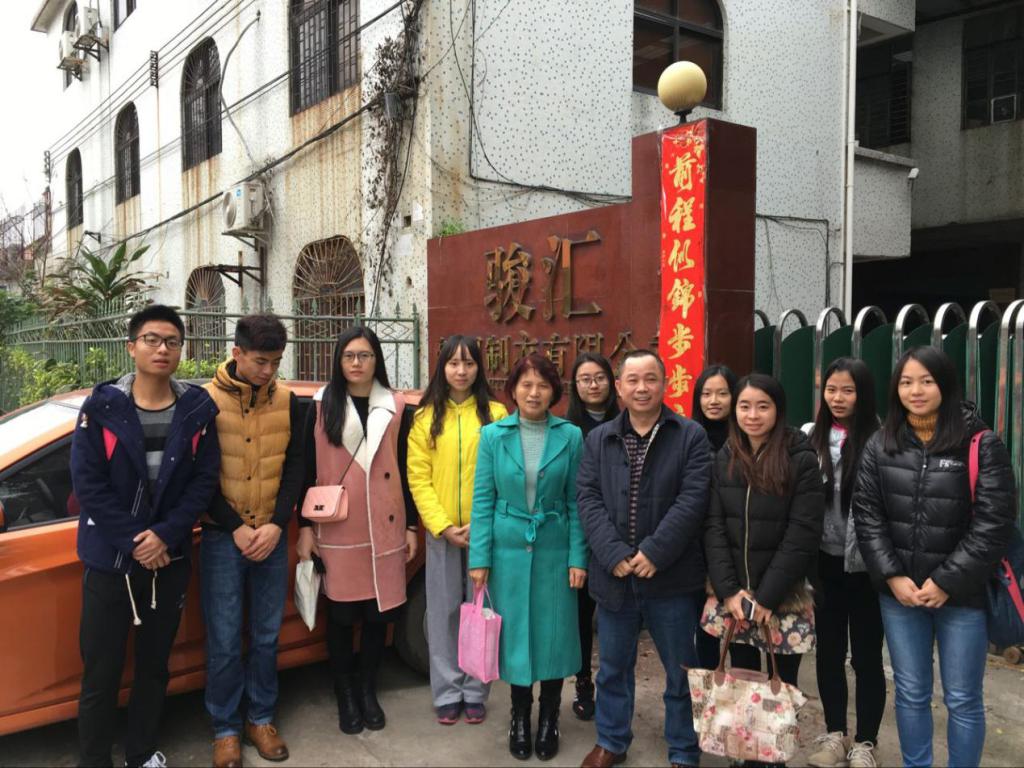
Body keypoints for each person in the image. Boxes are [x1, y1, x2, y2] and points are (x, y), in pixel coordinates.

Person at [71, 304, 220, 768]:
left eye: (172, 341)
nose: (162, 349)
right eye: (152, 340)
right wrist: (138, 540)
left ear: (181, 351)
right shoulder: (102, 408)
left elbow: (203, 482)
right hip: (111, 563)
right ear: (131, 347)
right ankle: (94, 759)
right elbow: (88, 485)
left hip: (167, 563)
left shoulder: (197, 409)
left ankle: (140, 754)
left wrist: (166, 535)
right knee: (101, 673)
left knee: (154, 668)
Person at [854, 347, 1016, 768]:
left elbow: (994, 522)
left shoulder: (980, 443)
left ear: (945, 384)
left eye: (926, 381)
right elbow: (867, 516)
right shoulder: (880, 443)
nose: (916, 390)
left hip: (962, 597)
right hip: (901, 596)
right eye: (907, 382)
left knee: (962, 697)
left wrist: (947, 581)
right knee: (911, 692)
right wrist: (892, 577)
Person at [577, 349, 711, 768]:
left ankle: (683, 749)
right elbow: (588, 497)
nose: (641, 388)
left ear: (665, 384)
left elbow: (693, 499)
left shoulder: (689, 436)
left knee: (680, 670)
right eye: (632, 380)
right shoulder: (599, 438)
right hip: (615, 576)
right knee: (612, 668)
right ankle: (611, 741)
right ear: (618, 387)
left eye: (650, 379)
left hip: (671, 577)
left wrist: (655, 551)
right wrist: (612, 553)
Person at [296, 326, 419, 735]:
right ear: (338, 359)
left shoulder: (396, 406)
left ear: (376, 359)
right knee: (343, 616)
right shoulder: (321, 405)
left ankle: (368, 690)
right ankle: (345, 693)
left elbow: (406, 468)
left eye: (364, 355)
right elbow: (305, 468)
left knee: (378, 615)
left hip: (385, 523)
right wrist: (304, 527)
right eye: (349, 355)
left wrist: (412, 525)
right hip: (337, 527)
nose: (356, 363)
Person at [468, 353, 587, 761]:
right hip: (507, 552)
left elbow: (576, 502)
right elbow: (483, 500)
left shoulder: (571, 436)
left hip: (555, 548)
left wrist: (578, 558)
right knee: (516, 635)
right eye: (526, 385)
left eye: (542, 385)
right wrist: (479, 559)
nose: (534, 393)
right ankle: (519, 714)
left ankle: (550, 715)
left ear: (554, 391)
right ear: (513, 390)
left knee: (553, 635)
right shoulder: (492, 435)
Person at [200, 314, 304, 768]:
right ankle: (224, 728)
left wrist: (278, 524)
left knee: (266, 635)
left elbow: (297, 466)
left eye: (276, 362)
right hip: (224, 538)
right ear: (237, 353)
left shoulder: (289, 401)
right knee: (224, 639)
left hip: (271, 536)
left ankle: (260, 718)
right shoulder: (203, 402)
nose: (268, 371)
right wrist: (234, 526)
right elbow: (198, 476)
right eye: (261, 361)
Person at [703, 374, 822, 704]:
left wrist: (767, 597)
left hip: (783, 597)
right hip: (736, 598)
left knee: (780, 691)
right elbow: (713, 526)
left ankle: (775, 744)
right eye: (744, 406)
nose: (752, 415)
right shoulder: (726, 456)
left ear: (778, 410)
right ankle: (743, 742)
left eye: (762, 407)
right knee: (742, 685)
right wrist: (729, 591)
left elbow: (803, 533)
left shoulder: (800, 458)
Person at [407, 336, 507, 726]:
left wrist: (484, 523)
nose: (461, 371)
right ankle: (447, 691)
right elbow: (418, 477)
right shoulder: (425, 416)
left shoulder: (496, 415)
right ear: (442, 368)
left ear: (479, 368)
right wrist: (442, 525)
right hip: (442, 532)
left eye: (468, 363)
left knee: (482, 611)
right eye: (453, 363)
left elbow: (505, 475)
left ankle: (476, 690)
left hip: (485, 531)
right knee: (443, 612)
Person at [803, 359, 884, 768]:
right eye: (831, 390)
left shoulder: (883, 440)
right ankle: (835, 733)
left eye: (847, 390)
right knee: (829, 653)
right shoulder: (809, 436)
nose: (837, 398)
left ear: (862, 394)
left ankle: (866, 742)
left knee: (866, 657)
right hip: (824, 564)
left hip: (867, 566)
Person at [564, 352, 619, 722]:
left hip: (619, 535)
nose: (593, 385)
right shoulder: (567, 430)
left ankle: (615, 688)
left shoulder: (627, 422)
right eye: (585, 379)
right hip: (582, 534)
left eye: (599, 377)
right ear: (575, 385)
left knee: (616, 620)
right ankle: (584, 684)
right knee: (581, 616)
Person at [690, 364, 737, 670]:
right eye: (707, 394)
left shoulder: (747, 437)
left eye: (722, 393)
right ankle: (708, 691)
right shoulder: (688, 438)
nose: (714, 401)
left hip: (740, 545)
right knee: (705, 629)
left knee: (741, 629)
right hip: (698, 548)